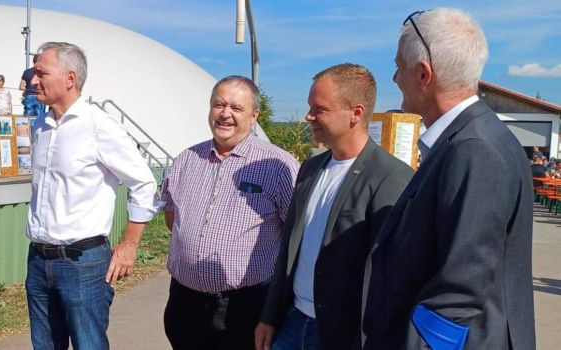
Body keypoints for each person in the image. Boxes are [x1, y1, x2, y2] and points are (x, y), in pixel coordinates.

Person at [361, 8, 535, 349]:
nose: (395, 78)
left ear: (424, 74)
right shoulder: (467, 138)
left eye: (399, 67)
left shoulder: (474, 148)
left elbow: (460, 291)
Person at [254, 64, 412, 350]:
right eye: (309, 107)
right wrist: (269, 316)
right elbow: (289, 250)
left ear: (357, 113)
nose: (309, 116)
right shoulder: (311, 169)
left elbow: (392, 278)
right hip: (292, 322)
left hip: (341, 335)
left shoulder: (391, 178)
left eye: (319, 109)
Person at [25, 41, 161, 349]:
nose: (33, 80)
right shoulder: (40, 125)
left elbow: (144, 183)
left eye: (41, 73)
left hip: (82, 263)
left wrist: (129, 245)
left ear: (69, 79)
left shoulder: (99, 126)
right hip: (38, 260)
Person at [160, 75, 299, 349]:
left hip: (244, 307)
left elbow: (294, 237)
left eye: (236, 108)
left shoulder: (279, 166)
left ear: (254, 115)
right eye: (218, 105)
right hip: (184, 303)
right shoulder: (187, 159)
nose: (225, 114)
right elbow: (172, 218)